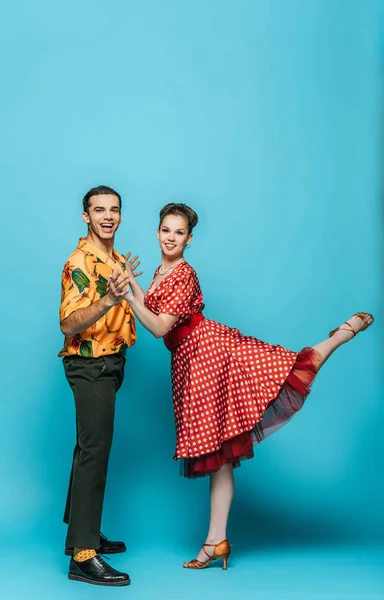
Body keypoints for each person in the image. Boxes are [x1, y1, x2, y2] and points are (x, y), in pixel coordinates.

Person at [107, 202, 374, 571]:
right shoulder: (159, 271)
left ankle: (342, 334)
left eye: (179, 233)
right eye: (166, 230)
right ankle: (216, 542)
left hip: (209, 353)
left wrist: (126, 295)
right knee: (218, 456)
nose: (171, 238)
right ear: (157, 232)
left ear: (190, 239)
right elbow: (150, 306)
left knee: (288, 370)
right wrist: (130, 282)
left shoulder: (184, 274)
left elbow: (158, 327)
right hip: (188, 361)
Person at [59, 185, 141, 586]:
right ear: (85, 216)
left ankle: (83, 532)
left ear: (120, 216)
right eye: (98, 210)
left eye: (114, 210)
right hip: (90, 366)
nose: (107, 216)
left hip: (111, 363)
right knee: (95, 451)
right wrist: (108, 301)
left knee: (87, 447)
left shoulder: (117, 258)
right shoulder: (80, 261)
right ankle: (83, 556)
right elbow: (68, 324)